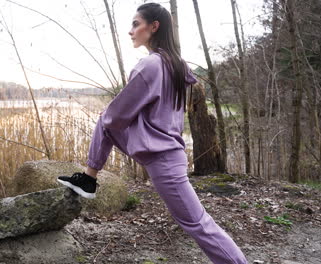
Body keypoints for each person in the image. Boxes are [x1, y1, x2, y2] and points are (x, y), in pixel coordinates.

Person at [57, 3, 248, 264]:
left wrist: (114, 119)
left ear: (154, 27)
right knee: (105, 123)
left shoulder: (150, 65)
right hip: (162, 150)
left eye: (136, 24)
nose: (131, 31)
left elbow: (118, 113)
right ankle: (88, 180)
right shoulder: (177, 63)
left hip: (163, 160)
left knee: (199, 224)